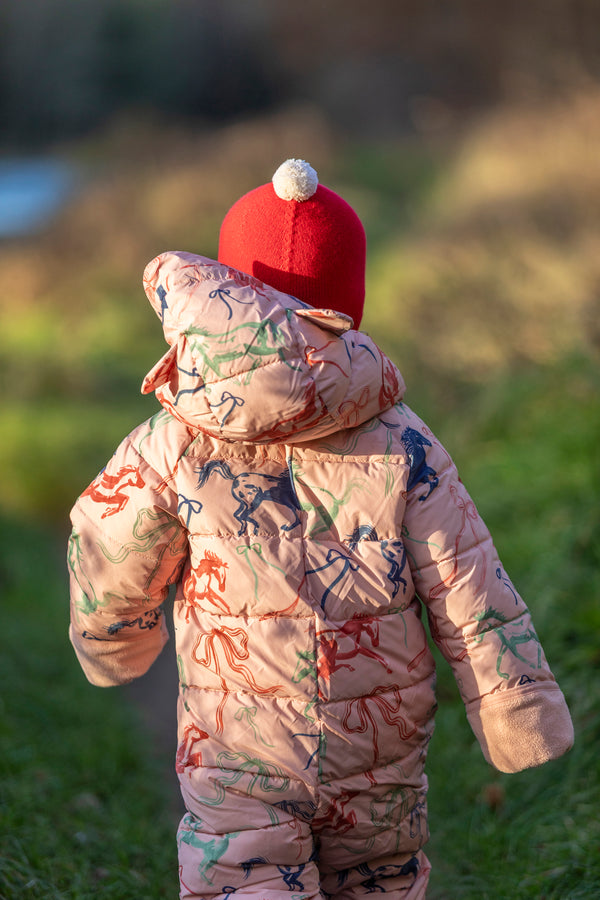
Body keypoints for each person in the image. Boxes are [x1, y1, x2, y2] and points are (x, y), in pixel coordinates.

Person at [68, 159, 574, 899]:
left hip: (236, 744)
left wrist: (112, 640)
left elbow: (110, 545)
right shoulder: (404, 439)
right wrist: (514, 704)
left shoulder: (171, 440)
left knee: (244, 880)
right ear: (349, 299)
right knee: (379, 880)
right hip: (379, 748)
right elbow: (468, 577)